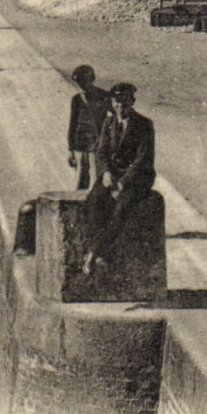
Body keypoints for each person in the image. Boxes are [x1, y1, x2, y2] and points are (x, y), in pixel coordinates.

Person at [80, 82, 155, 276]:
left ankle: (95, 253)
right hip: (112, 175)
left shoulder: (144, 125)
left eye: (125, 101)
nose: (121, 105)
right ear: (112, 102)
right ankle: (99, 253)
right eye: (117, 101)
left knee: (121, 208)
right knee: (93, 202)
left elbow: (142, 160)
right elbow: (101, 151)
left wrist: (122, 183)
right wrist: (106, 173)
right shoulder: (109, 122)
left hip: (136, 178)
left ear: (132, 101)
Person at [66, 65, 109, 191]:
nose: (82, 85)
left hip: (97, 145)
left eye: (84, 81)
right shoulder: (76, 99)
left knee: (97, 180)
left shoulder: (104, 96)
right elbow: (73, 125)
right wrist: (71, 150)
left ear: (92, 79)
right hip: (80, 146)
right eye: (79, 82)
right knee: (80, 181)